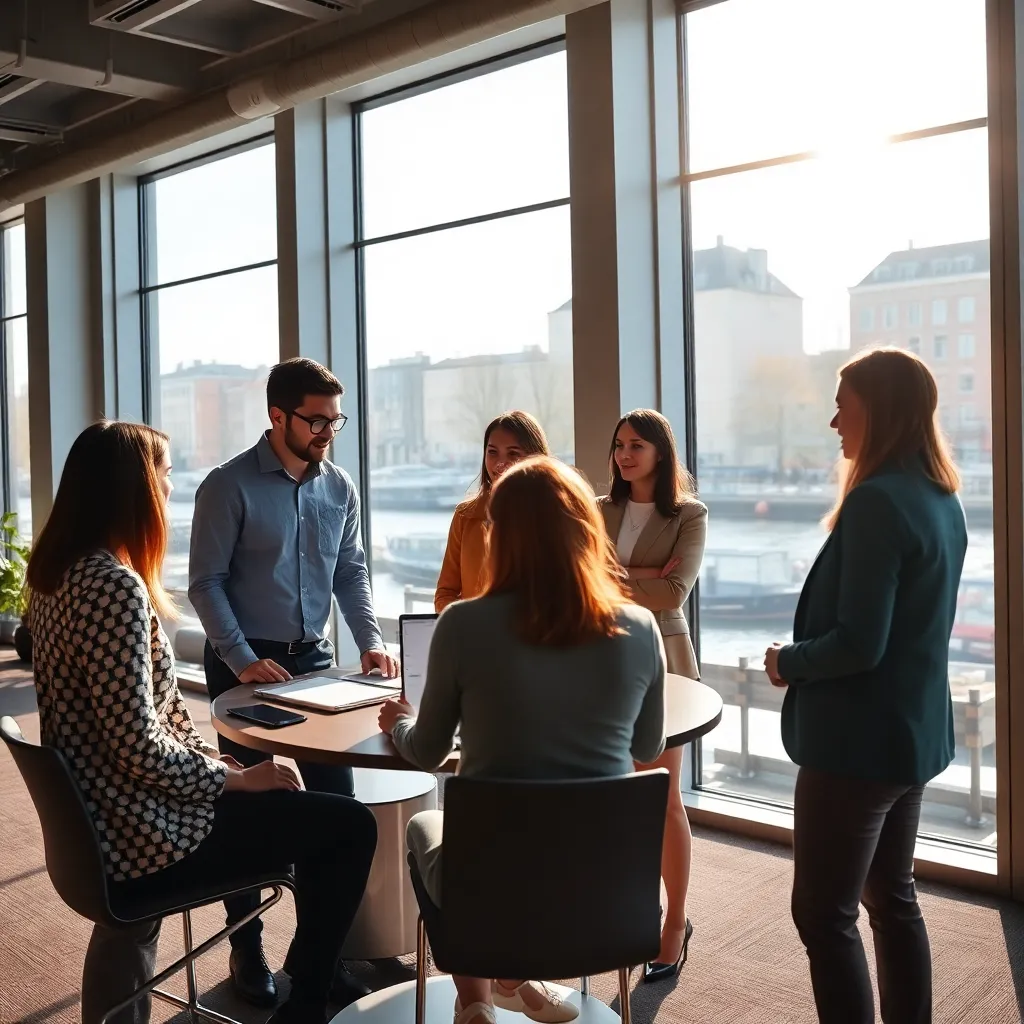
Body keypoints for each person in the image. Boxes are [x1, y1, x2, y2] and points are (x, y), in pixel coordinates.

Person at [27, 421, 377, 1024]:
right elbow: (138, 745)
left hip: (96, 826)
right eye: (162, 477)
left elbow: (118, 730)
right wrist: (236, 780)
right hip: (146, 833)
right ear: (131, 489)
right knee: (348, 828)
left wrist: (217, 764)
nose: (168, 490)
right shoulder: (114, 589)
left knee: (310, 813)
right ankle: (307, 1008)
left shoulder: (54, 577)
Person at [379, 456, 667, 1024]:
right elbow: (649, 745)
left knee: (426, 823)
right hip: (604, 886)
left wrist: (398, 724)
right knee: (539, 829)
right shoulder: (638, 627)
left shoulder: (463, 624)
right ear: (587, 530)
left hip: (492, 891)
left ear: (498, 535)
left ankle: (478, 999)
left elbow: (428, 753)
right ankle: (509, 985)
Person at [763, 347, 967, 1024]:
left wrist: (788, 661)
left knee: (823, 915)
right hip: (909, 738)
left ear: (877, 412)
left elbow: (860, 642)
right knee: (892, 896)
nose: (833, 423)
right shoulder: (943, 499)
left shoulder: (877, 503)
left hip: (857, 747)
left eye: (842, 406)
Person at [188, 357, 397, 1008]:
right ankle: (246, 948)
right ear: (277, 416)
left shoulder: (339, 487)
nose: (328, 431)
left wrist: (370, 641)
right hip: (245, 667)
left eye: (335, 420)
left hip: (316, 665)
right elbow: (206, 583)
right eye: (316, 419)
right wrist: (243, 656)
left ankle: (318, 961)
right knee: (252, 809)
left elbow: (350, 572)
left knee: (336, 812)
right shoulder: (228, 487)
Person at [598, 409, 706, 982]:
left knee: (662, 798)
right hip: (601, 656)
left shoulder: (690, 514)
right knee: (621, 797)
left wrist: (615, 575)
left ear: (661, 453)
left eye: (636, 445)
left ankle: (674, 925)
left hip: (665, 658)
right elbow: (582, 577)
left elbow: (672, 591)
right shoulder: (600, 508)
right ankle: (636, 912)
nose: (624, 454)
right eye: (618, 445)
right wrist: (634, 576)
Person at [434, 411, 549, 612]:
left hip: (534, 637)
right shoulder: (466, 516)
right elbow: (445, 593)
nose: (499, 463)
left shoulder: (554, 516)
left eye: (513, 453)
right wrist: (466, 625)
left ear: (535, 457)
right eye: (492, 452)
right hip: (476, 637)